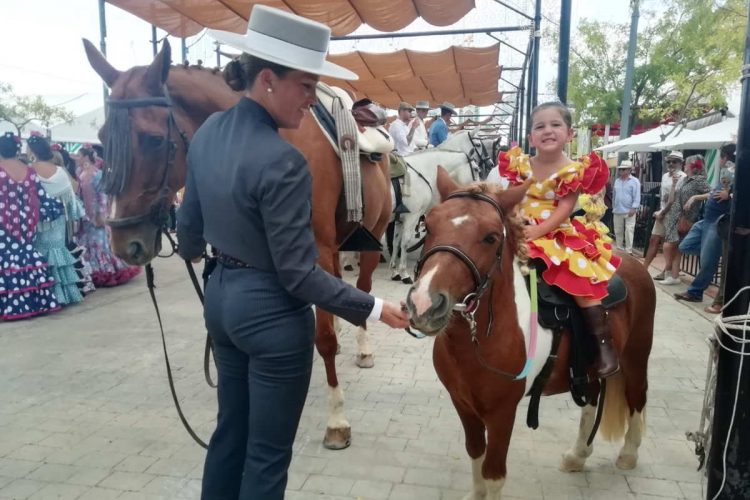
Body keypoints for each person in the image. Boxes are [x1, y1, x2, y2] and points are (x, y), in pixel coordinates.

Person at [176, 6, 410, 499]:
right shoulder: (283, 159)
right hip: (272, 319)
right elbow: (299, 275)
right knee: (266, 455)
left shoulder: (206, 137)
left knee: (228, 437)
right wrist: (374, 306)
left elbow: (189, 236)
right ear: (267, 79)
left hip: (221, 304)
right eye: (305, 86)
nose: (311, 100)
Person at [498, 102, 621, 378]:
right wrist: (517, 223)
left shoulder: (572, 170)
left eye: (555, 125)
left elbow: (565, 208)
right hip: (519, 228)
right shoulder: (520, 165)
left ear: (569, 134)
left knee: (579, 282)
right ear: (531, 137)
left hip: (556, 234)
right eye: (539, 126)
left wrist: (537, 232)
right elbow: (512, 199)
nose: (547, 131)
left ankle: (603, 345)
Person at [0, 132, 63, 320]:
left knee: (6, 258)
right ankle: (35, 301)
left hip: (4, 222)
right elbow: (42, 197)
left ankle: (11, 306)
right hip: (27, 222)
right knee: (25, 254)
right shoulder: (29, 171)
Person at [26, 133, 86, 306]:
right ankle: (66, 294)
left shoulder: (30, 171)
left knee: (41, 253)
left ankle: (47, 296)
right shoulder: (59, 171)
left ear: (32, 150)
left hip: (39, 221)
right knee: (58, 252)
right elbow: (72, 195)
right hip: (59, 220)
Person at [76, 147, 141, 287]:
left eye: (79, 155)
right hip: (85, 217)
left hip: (97, 216)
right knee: (87, 245)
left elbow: (103, 195)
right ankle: (91, 271)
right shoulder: (80, 173)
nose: (78, 158)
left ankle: (108, 270)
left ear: (87, 157)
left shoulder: (98, 174)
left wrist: (100, 214)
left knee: (101, 244)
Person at [674, 161, 734, 304]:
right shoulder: (726, 172)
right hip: (706, 220)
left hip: (717, 221)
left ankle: (695, 292)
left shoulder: (736, 173)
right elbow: (712, 192)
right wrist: (695, 197)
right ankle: (712, 255)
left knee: (708, 262)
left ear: (726, 157)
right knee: (684, 246)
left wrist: (729, 195)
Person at [659, 154, 711, 286]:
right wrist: (674, 185)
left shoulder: (699, 180)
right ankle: (673, 275)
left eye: (686, 164)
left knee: (670, 245)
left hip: (685, 217)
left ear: (692, 166)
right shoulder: (684, 179)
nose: (684, 166)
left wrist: (695, 198)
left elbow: (711, 193)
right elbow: (674, 197)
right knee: (674, 246)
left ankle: (669, 270)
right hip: (674, 215)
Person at [644, 151, 687, 277]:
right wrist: (661, 211)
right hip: (662, 213)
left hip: (673, 215)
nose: (671, 164)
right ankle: (644, 268)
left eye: (674, 161)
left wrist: (662, 212)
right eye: (669, 161)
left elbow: (674, 200)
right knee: (654, 240)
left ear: (681, 163)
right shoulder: (664, 176)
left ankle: (666, 271)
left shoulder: (683, 177)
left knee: (670, 245)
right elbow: (664, 197)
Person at [611, 160, 641, 255]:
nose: (621, 171)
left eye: (623, 169)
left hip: (629, 210)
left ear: (629, 170)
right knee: (618, 230)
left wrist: (634, 207)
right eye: (620, 169)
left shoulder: (635, 181)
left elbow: (637, 195)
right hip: (618, 209)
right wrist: (613, 206)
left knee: (629, 230)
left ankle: (629, 251)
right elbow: (614, 195)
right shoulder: (617, 181)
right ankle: (619, 249)